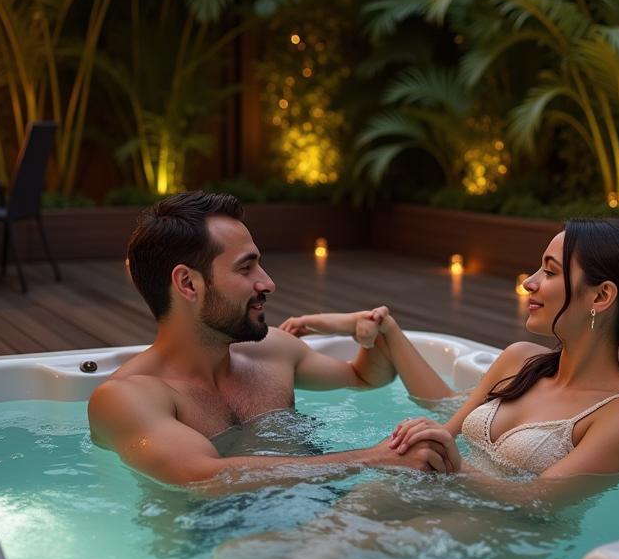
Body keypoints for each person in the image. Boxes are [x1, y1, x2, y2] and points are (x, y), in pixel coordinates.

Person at [192, 217, 619, 559]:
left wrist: (455, 469)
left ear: (602, 296)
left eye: (549, 271)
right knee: (241, 556)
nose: (529, 281)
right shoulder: (520, 359)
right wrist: (422, 436)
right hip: (449, 494)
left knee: (337, 550)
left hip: (514, 529)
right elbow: (447, 418)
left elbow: (541, 501)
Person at [88, 191, 455, 489]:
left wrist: (363, 327)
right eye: (246, 268)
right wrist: (376, 459)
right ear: (188, 284)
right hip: (213, 549)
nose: (267, 282)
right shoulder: (125, 397)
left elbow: (366, 377)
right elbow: (200, 476)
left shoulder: (273, 351)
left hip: (326, 506)